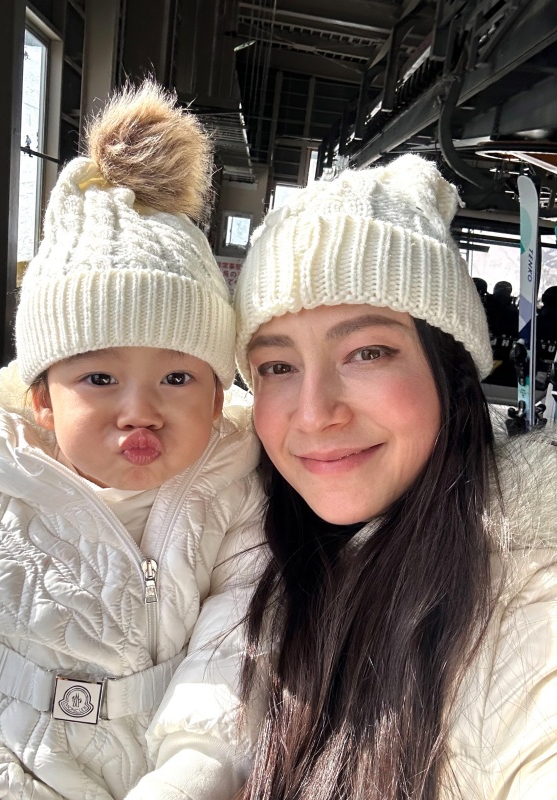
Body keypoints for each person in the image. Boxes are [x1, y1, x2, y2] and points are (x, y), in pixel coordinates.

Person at [0, 81, 264, 799]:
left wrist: (197, 768)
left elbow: (239, 637)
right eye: (98, 378)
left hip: (165, 765)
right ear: (41, 400)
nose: (140, 412)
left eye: (177, 379)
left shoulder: (236, 486)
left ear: (217, 397)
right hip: (1, 760)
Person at [233, 154, 557, 800]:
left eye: (368, 352)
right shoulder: (234, 537)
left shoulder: (530, 604)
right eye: (276, 366)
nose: (315, 413)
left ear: (450, 373)